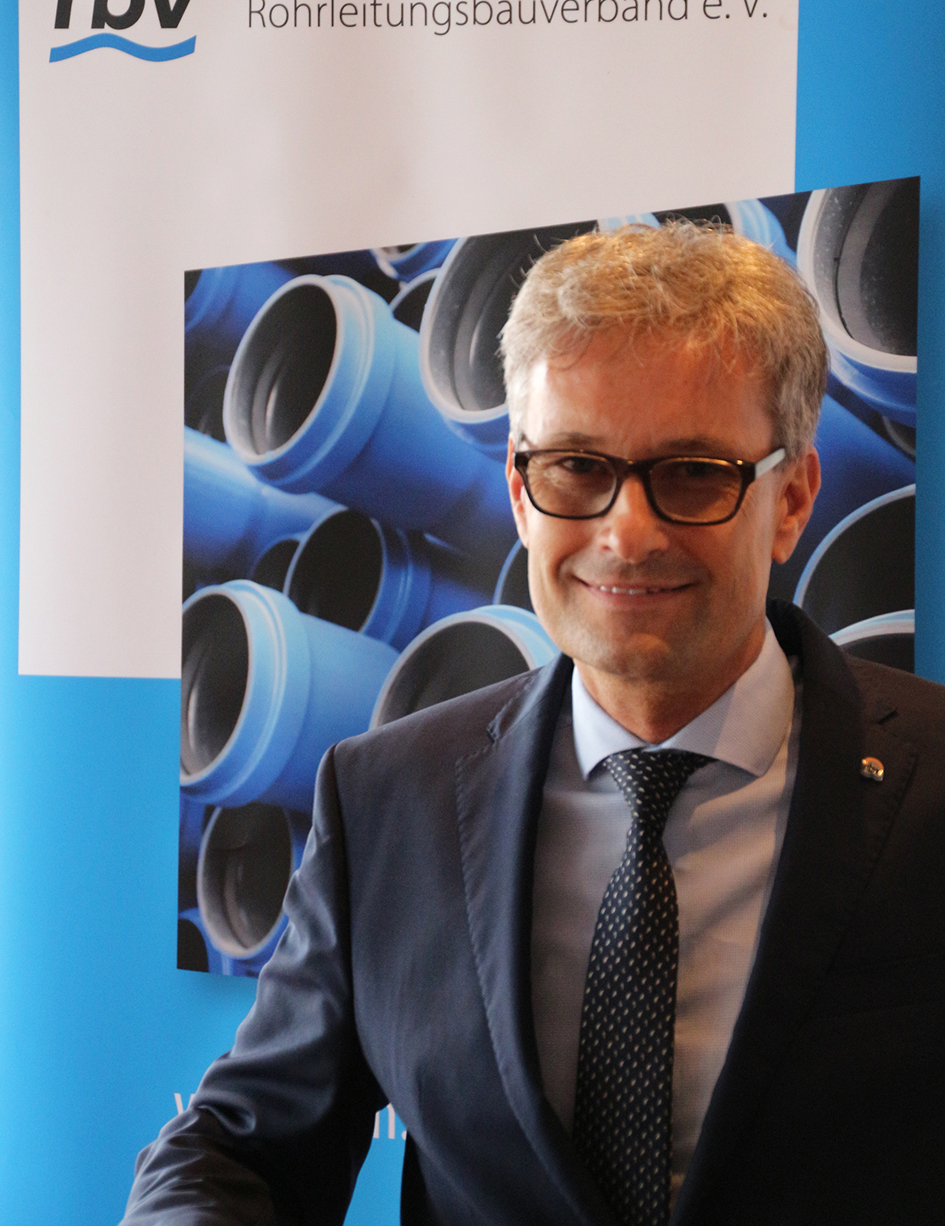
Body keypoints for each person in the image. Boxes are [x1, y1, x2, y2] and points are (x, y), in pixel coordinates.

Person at [123, 223, 945, 1225]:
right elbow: (242, 1144)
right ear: (518, 492)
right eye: (575, 467)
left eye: (693, 471)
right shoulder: (385, 800)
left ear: (792, 499)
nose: (626, 533)